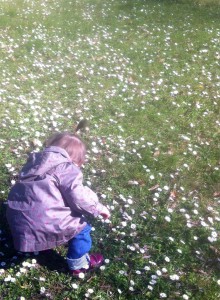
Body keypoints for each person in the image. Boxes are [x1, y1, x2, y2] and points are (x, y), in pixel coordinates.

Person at [6, 132, 110, 276]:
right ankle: (79, 265)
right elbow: (78, 197)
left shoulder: (34, 161)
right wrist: (98, 208)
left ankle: (35, 242)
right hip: (44, 222)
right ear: (75, 160)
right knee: (81, 229)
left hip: (18, 220)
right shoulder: (66, 168)